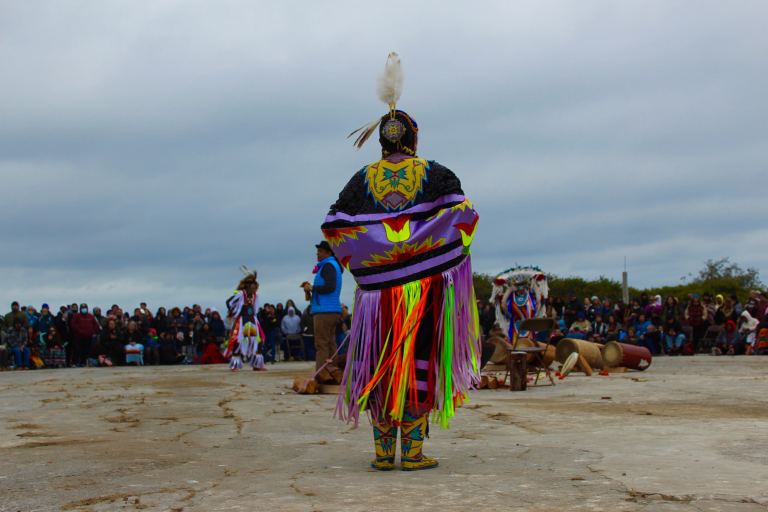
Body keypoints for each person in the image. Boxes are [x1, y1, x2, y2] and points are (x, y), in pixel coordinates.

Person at [322, 53, 480, 471]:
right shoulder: (435, 173)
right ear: (413, 138)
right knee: (418, 357)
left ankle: (382, 452)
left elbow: (334, 226)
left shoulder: (361, 180)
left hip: (377, 298)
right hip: (424, 290)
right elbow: (464, 217)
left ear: (383, 141)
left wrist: (374, 261)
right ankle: (411, 452)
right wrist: (426, 251)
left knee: (378, 360)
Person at [302, 241, 344, 383]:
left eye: (320, 251)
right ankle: (334, 372)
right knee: (330, 343)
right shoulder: (333, 265)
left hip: (324, 310)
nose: (317, 253)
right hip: (333, 309)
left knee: (321, 344)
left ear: (328, 252)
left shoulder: (328, 266)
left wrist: (313, 288)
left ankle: (322, 374)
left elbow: (329, 287)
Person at [225, 271, 266, 371]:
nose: (254, 290)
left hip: (252, 320)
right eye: (252, 287)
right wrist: (233, 311)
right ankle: (235, 365)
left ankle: (257, 364)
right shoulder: (240, 294)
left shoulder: (256, 296)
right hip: (242, 320)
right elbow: (229, 302)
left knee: (258, 340)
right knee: (238, 341)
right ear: (247, 287)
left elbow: (255, 310)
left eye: (255, 288)